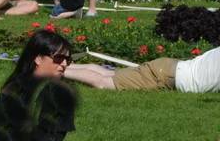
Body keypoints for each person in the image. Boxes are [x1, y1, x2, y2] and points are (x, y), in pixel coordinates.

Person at [65, 45, 220, 93]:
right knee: (103, 82)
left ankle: (61, 66)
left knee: (109, 73)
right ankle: (57, 71)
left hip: (169, 68)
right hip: (165, 76)